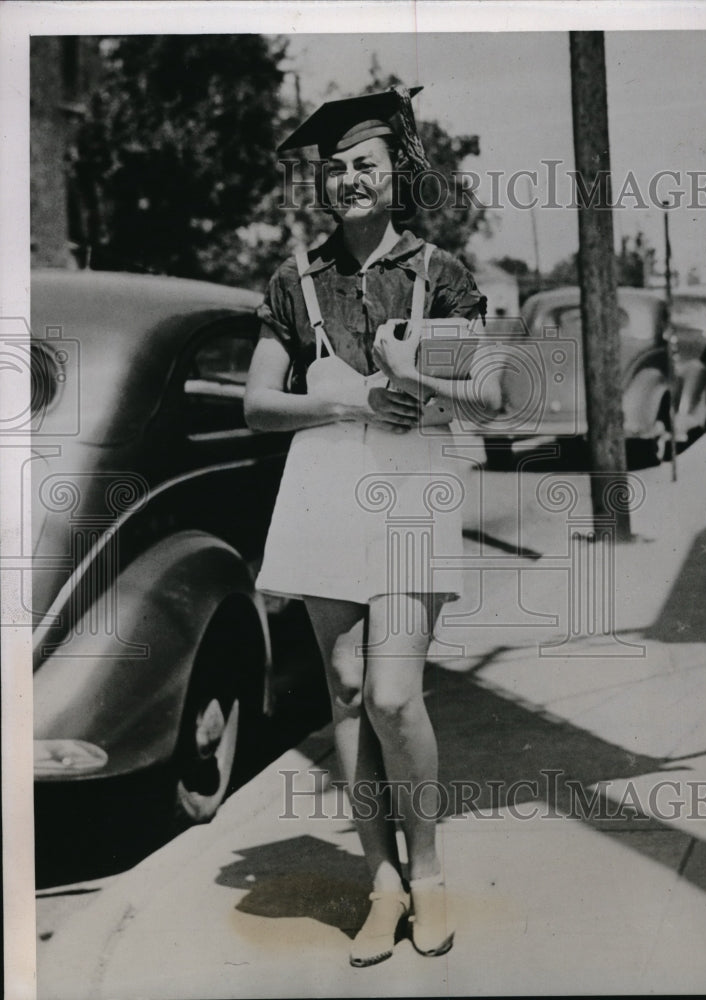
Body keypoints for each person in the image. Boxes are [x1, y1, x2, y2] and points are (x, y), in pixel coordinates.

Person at [243, 85, 502, 967]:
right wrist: (351, 394)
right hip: (322, 486)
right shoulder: (295, 281)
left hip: (409, 487)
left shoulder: (441, 276)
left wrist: (413, 377)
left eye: (363, 165)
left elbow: (494, 397)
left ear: (398, 175)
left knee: (393, 694)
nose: (347, 180)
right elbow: (255, 404)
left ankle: (426, 874)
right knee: (347, 694)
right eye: (334, 168)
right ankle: (379, 884)